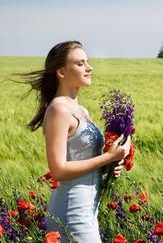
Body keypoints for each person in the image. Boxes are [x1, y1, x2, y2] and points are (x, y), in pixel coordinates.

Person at [18, 41, 131, 242]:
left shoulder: (82, 111)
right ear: (61, 72)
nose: (89, 67)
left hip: (87, 210)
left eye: (87, 62)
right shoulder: (58, 110)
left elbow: (83, 159)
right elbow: (58, 170)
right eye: (80, 63)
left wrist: (110, 164)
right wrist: (107, 158)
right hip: (71, 212)